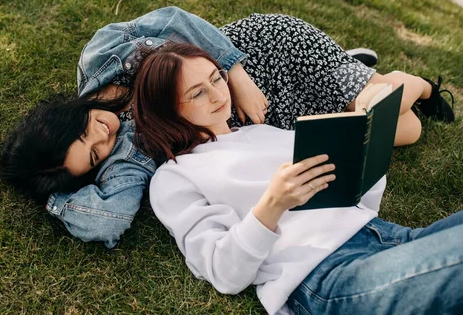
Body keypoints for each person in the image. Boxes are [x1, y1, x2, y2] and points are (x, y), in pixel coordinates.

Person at [0, 7, 454, 248]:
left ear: (60, 116)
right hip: (258, 121)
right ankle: (374, 78)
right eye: (94, 155)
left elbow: (175, 20)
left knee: (379, 107)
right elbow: (107, 222)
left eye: (82, 134)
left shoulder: (100, 57)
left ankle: (417, 85)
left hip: (252, 59)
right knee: (403, 132)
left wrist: (236, 73)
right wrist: (52, 194)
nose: (103, 135)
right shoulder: (124, 159)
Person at [132, 43, 462, 315]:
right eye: (198, 93)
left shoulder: (262, 131)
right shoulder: (174, 177)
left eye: (216, 79)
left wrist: (363, 137)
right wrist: (271, 206)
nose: (218, 94)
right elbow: (223, 273)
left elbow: (359, 196)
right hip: (328, 278)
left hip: (386, 237)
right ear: (168, 110)